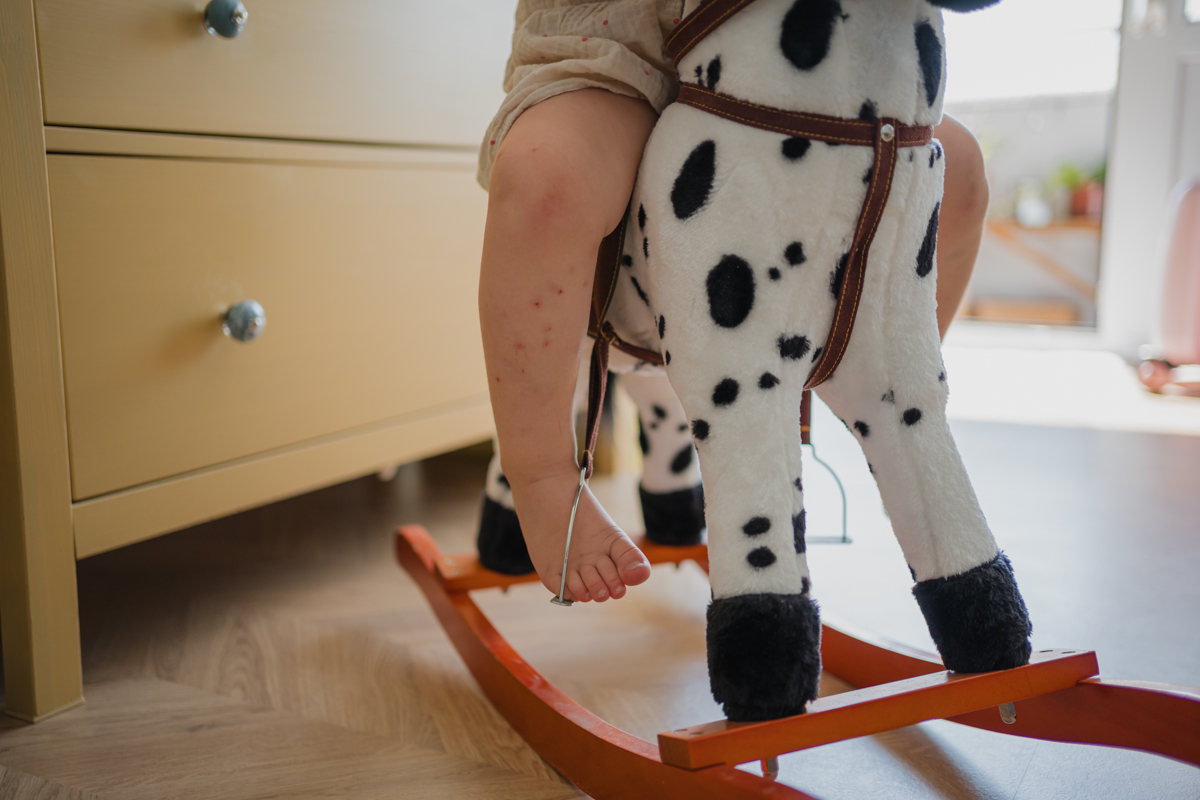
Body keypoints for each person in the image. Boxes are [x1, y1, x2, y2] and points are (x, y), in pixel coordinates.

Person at [477, 2, 990, 606]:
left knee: (956, 171)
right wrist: (542, 471)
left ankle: (853, 382)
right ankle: (538, 473)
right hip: (623, 53)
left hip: (799, 57)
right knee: (549, 176)